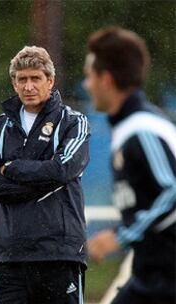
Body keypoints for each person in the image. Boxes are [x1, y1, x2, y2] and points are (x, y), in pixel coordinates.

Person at [0, 46, 90, 304]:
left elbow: (63, 169)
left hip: (58, 253)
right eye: (22, 79)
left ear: (50, 81)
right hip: (4, 256)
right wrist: (44, 181)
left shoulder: (73, 122)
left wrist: (12, 168)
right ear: (14, 83)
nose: (28, 86)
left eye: (35, 78)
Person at [85, 27, 176, 304]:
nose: (86, 85)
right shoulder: (128, 128)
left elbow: (171, 191)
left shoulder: (142, 129)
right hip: (152, 275)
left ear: (106, 79)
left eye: (89, 77)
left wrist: (120, 236)